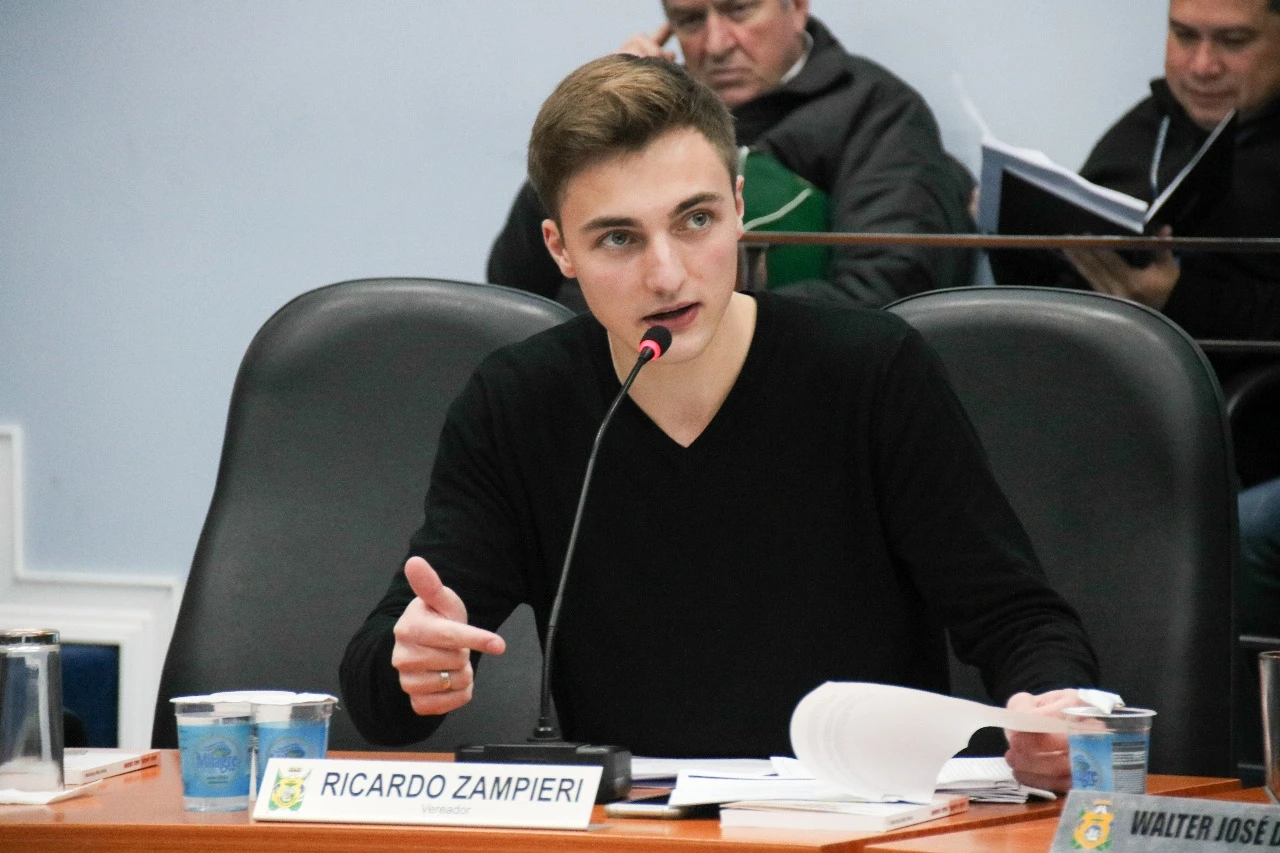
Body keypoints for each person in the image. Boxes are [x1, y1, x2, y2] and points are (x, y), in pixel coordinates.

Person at [342, 54, 1098, 792]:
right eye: (618, 238)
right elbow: (385, 685)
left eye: (695, 220)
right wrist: (414, 666)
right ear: (559, 250)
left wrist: (1054, 714)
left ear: (739, 206)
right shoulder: (520, 402)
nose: (667, 274)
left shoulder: (871, 373)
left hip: (864, 822)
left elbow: (1021, 621)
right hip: (635, 834)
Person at [486, 0, 976, 310]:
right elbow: (515, 286)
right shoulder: (650, 118)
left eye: (738, 10)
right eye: (690, 20)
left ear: (797, 7)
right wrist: (600, 115)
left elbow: (889, 289)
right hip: (596, 368)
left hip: (784, 381)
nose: (716, 44)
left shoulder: (872, 109)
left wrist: (711, 329)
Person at [1059, 0, 1280, 340]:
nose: (1202, 67)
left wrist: (1182, 300)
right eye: (1185, 35)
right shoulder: (1144, 128)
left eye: (1234, 41)